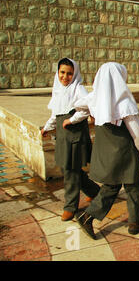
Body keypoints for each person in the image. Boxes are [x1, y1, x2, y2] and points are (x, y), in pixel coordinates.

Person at [75, 62, 139, 239]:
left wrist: (86, 116)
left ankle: (88, 215)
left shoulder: (94, 98)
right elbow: (137, 131)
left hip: (106, 150)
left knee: (111, 185)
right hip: (124, 150)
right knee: (133, 185)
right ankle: (135, 221)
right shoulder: (124, 101)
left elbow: (78, 105)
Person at [41, 58, 100, 222]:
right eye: (62, 72)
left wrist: (71, 120)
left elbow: (87, 108)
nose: (65, 77)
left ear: (75, 74)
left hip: (74, 134)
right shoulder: (59, 89)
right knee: (71, 169)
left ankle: (70, 207)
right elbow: (56, 113)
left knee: (70, 171)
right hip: (63, 134)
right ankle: (95, 192)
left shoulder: (78, 89)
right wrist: (46, 127)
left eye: (69, 73)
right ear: (57, 72)